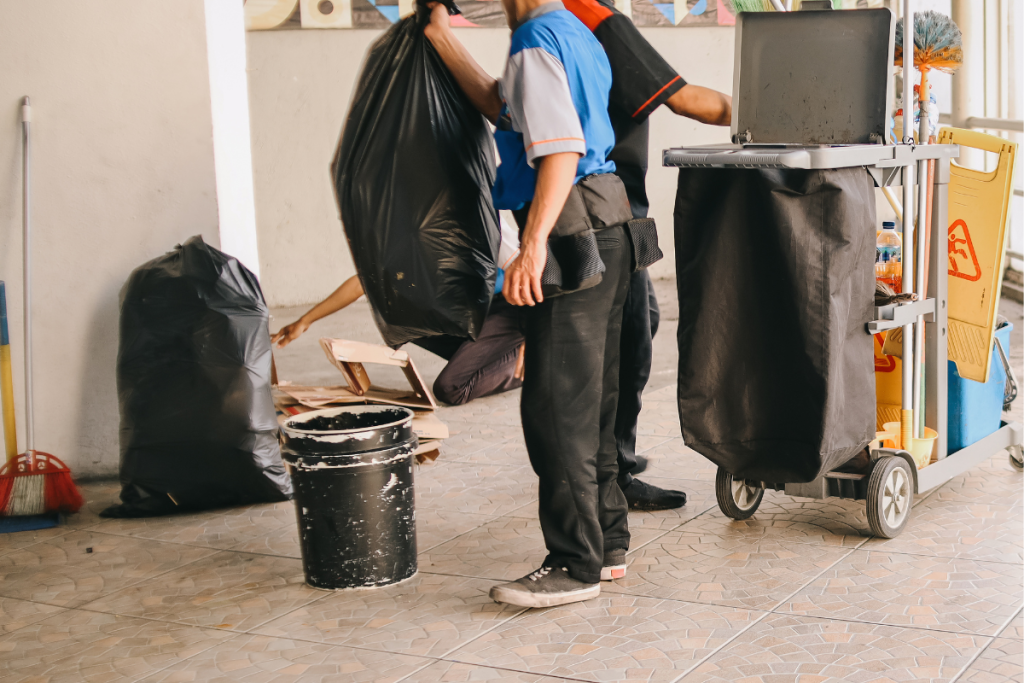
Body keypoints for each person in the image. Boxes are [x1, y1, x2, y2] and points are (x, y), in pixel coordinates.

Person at [425, 0, 634, 608]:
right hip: (612, 223)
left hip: (570, 230)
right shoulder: (570, 33)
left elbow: (560, 148)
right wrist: (441, 38)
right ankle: (609, 542)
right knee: (593, 401)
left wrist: (533, 245)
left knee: (555, 409)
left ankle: (574, 564)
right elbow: (506, 108)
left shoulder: (535, 40)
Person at [559, 0, 732, 511]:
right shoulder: (594, 16)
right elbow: (687, 101)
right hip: (605, 207)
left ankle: (611, 469)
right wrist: (770, 112)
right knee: (623, 346)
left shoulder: (554, 19)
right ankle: (608, 478)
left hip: (600, 203)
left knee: (635, 330)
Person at [272, 221, 527, 406]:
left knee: (451, 388)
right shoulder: (408, 244)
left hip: (508, 309)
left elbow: (529, 271)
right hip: (475, 316)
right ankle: (484, 354)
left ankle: (529, 362)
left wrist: (535, 328)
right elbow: (363, 282)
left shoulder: (453, 226)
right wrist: (305, 321)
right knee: (400, 317)